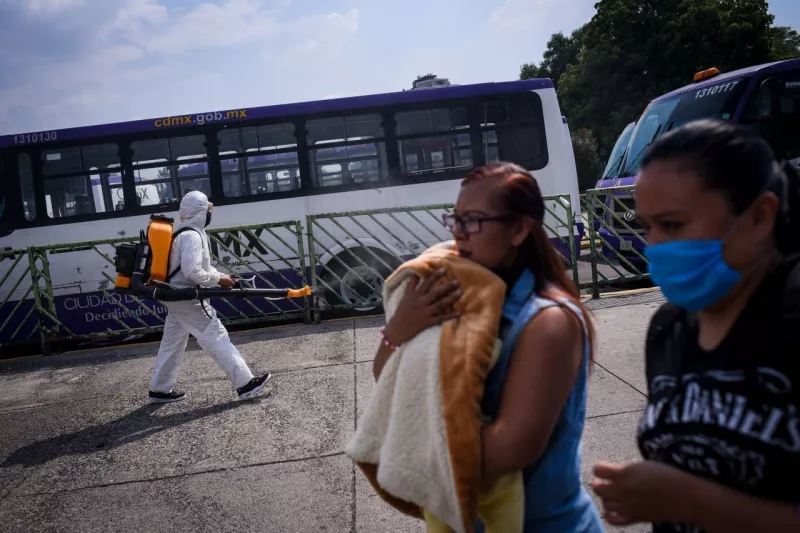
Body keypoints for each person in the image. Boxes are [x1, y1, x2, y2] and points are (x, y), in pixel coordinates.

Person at [591, 119, 800, 533]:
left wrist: (693, 502)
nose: (653, 246)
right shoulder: (669, 328)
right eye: (647, 227)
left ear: (759, 216)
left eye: (673, 225)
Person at [373, 162, 604, 532]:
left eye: (473, 221)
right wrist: (398, 328)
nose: (458, 233)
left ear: (519, 230)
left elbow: (512, 448)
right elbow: (388, 378)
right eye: (456, 219)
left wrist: (412, 445)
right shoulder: (463, 295)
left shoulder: (549, 321)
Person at [148, 190, 271, 404]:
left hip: (174, 296)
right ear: (200, 212)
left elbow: (200, 268)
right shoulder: (192, 236)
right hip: (186, 297)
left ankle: (159, 389)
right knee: (215, 334)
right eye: (208, 210)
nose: (210, 214)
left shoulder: (184, 233)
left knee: (172, 342)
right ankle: (245, 383)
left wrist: (222, 277)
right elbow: (192, 272)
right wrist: (219, 280)